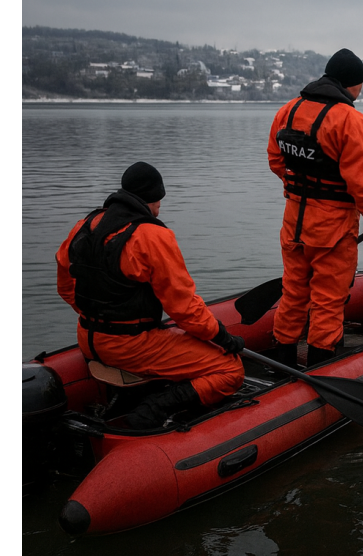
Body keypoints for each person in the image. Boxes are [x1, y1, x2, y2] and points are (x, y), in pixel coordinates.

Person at [57, 162, 246, 430]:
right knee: (231, 370)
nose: (159, 208)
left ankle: (138, 390)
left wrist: (104, 317)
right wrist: (223, 337)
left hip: (88, 338)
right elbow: (184, 309)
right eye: (159, 201)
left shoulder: (84, 225)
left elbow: (66, 287)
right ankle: (152, 411)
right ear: (154, 199)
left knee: (173, 337)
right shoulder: (153, 235)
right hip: (130, 345)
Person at [266, 49, 363, 367]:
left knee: (293, 293)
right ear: (353, 84)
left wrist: (298, 190)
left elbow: (276, 160)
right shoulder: (351, 120)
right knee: (328, 301)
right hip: (332, 231)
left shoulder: (287, 111)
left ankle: (283, 364)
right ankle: (321, 369)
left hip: (293, 223)